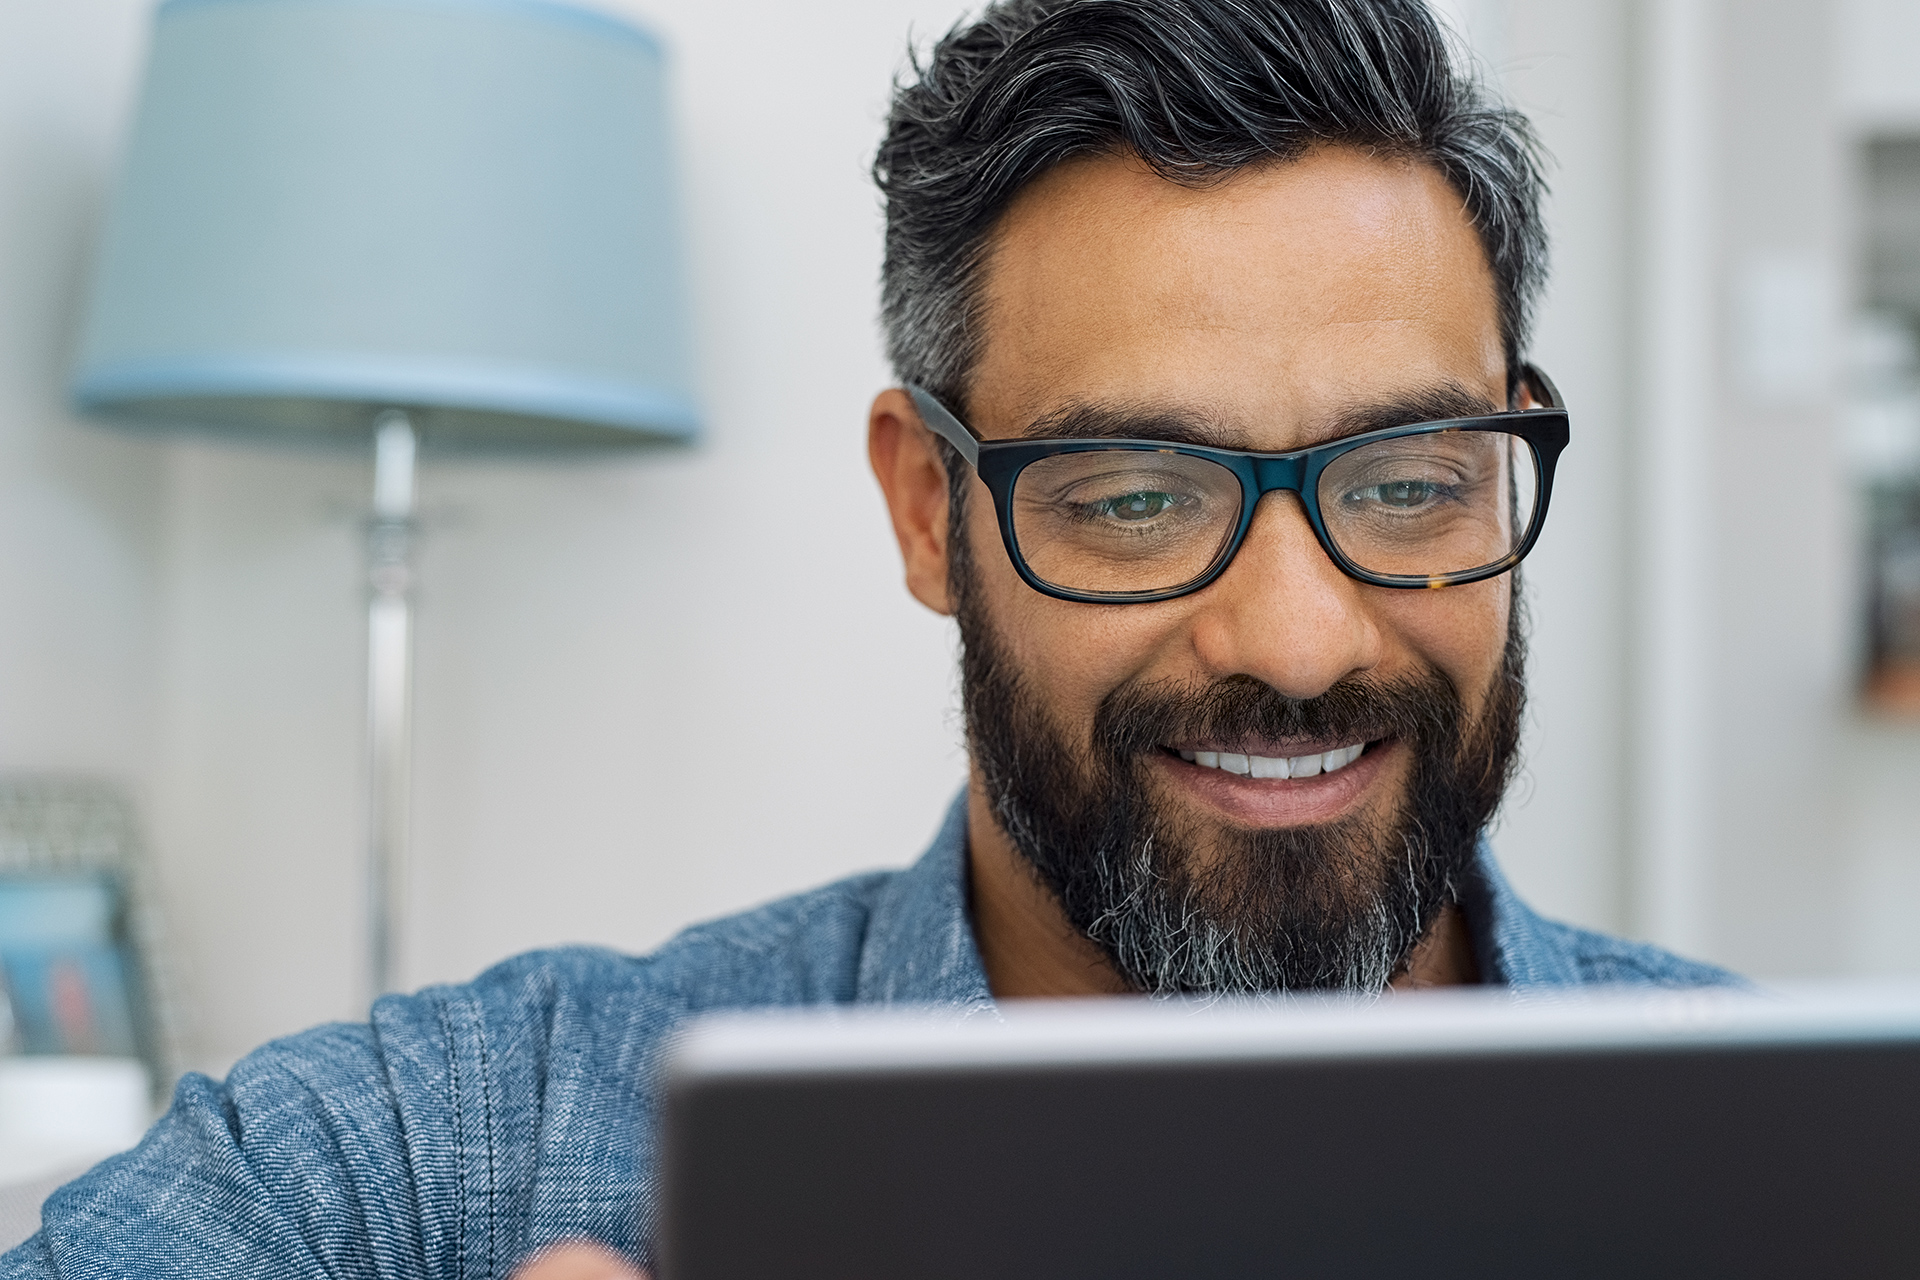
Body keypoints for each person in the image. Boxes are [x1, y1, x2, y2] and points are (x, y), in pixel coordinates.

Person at [2, 1, 1739, 1277]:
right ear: (929, 509)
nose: (1295, 638)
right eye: (1133, 495)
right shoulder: (448, 1159)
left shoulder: (1816, 1176)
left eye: (1411, 480)